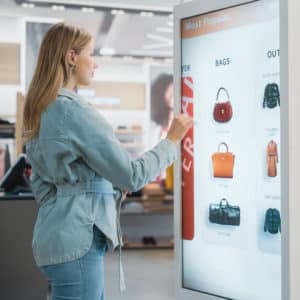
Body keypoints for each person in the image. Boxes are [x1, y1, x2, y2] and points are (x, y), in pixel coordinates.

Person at [23, 22, 193, 300]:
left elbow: (43, 187)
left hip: (52, 239)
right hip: (78, 243)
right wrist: (172, 140)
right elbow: (132, 176)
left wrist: (105, 188)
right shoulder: (74, 112)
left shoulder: (42, 110)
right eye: (91, 54)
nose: (96, 64)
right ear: (71, 57)